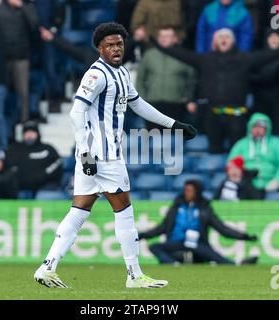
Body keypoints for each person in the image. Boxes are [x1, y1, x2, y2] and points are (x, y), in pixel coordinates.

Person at [34, 22, 197, 289]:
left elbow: (138, 103)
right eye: (110, 45)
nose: (116, 48)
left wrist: (172, 125)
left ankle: (47, 266)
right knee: (124, 212)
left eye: (119, 44)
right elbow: (76, 112)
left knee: (79, 211)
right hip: (103, 156)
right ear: (99, 48)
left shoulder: (120, 73)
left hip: (93, 157)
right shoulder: (96, 75)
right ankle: (134, 275)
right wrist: (85, 153)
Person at [152, 28, 279, 153]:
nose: (224, 39)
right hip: (212, 116)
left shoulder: (244, 59)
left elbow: (268, 55)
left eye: (227, 37)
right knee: (214, 151)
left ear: (233, 42)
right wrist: (158, 45)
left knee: (237, 152)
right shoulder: (205, 60)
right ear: (215, 42)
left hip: (237, 116)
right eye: (220, 37)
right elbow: (181, 55)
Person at [139, 180, 258, 265]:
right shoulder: (176, 206)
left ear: (197, 192)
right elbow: (162, 227)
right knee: (155, 247)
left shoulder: (205, 208)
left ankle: (236, 263)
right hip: (176, 242)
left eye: (189, 190)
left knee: (211, 253)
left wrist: (244, 236)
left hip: (196, 243)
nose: (186, 192)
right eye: (185, 190)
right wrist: (143, 235)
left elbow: (222, 229)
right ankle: (173, 264)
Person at [0, 0, 39, 123]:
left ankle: (24, 122)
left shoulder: (26, 8)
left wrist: (22, 7)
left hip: (22, 57)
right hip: (2, 60)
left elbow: (35, 24)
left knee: (23, 92)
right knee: (3, 93)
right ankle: (7, 122)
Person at [136, 26, 196, 129]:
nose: (164, 38)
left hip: (176, 104)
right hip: (152, 104)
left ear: (175, 39)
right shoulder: (149, 55)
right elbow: (140, 78)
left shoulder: (183, 55)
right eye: (161, 36)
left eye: (168, 36)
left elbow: (192, 79)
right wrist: (142, 98)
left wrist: (187, 97)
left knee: (173, 141)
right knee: (153, 140)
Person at [5, 121, 62, 196]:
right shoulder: (15, 149)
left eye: (32, 132)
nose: (29, 135)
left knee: (45, 195)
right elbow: (10, 167)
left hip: (45, 186)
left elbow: (57, 163)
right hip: (22, 187)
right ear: (23, 134)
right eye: (27, 133)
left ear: (37, 134)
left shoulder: (48, 149)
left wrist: (42, 175)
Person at [228, 113, 279, 195]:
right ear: (250, 128)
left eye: (261, 127)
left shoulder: (276, 144)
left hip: (271, 184)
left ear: (267, 128)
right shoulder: (241, 144)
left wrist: (277, 180)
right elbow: (232, 163)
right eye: (255, 127)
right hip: (246, 184)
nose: (258, 130)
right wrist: (237, 177)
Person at [250, 30, 279, 135]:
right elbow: (249, 76)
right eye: (271, 37)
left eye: (277, 37)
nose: (274, 39)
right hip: (260, 99)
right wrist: (263, 78)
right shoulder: (257, 57)